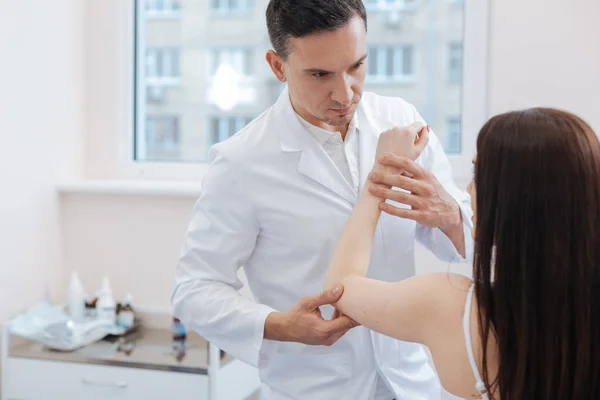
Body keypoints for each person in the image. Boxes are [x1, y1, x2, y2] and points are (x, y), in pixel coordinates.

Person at [172, 0, 473, 398]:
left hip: (411, 383)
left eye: (356, 67)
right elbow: (194, 290)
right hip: (315, 387)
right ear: (278, 66)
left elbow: (464, 248)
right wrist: (279, 324)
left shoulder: (401, 121)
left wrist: (450, 215)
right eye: (320, 74)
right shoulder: (241, 162)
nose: (345, 93)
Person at [325, 108, 600, 399]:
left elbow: (339, 286)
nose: (468, 189)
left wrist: (381, 176)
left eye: (478, 175)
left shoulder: (450, 305)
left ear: (512, 201)